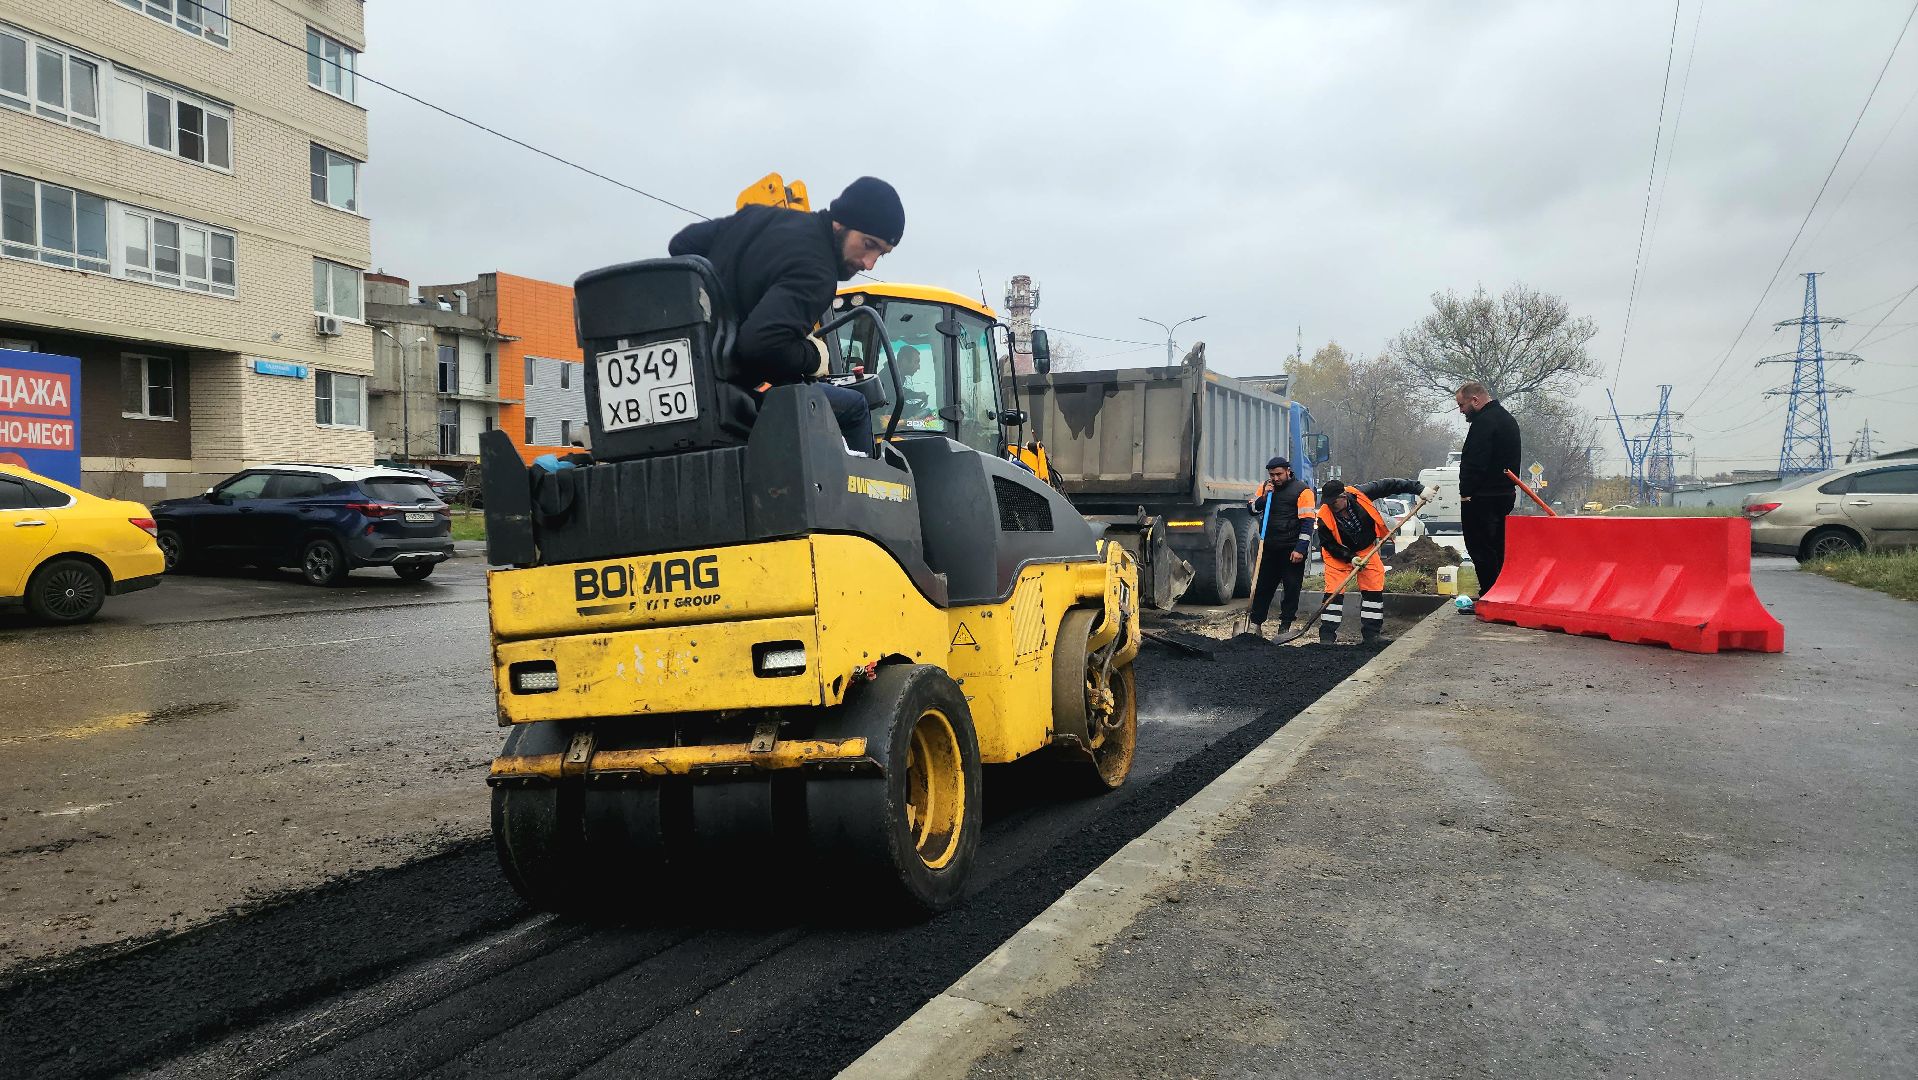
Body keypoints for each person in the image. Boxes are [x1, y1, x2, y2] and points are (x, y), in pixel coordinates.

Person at [667, 177, 905, 450]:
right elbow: (760, 345)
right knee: (855, 408)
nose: (869, 264)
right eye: (868, 244)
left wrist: (719, 310)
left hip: (689, 376)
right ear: (841, 222)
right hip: (733, 393)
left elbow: (681, 245)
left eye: (881, 254)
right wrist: (814, 356)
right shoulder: (819, 273)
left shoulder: (758, 217)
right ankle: (860, 479)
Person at [1314, 477, 1423, 644]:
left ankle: (1372, 635)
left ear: (1343, 496)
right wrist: (1350, 558)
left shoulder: (1361, 494)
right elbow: (1329, 544)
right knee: (1333, 593)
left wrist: (1420, 489)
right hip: (1338, 554)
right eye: (1327, 502)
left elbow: (1390, 485)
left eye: (1333, 502)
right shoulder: (1323, 516)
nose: (1330, 506)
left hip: (1366, 550)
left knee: (1373, 589)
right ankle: (1327, 637)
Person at [1454, 381, 1521, 595]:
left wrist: (1466, 493)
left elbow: (1474, 461)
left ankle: (1489, 593)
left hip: (1481, 498)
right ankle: (1501, 592)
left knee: (1480, 548)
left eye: (1462, 405)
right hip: (1505, 495)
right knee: (1499, 547)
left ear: (1475, 400)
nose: (1461, 410)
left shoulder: (1483, 423)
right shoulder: (1508, 420)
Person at [1245, 455, 1316, 636]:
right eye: (1272, 475)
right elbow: (1252, 510)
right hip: (1268, 546)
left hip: (1291, 548)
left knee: (1291, 588)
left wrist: (1300, 549)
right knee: (1263, 586)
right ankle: (1256, 623)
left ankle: (1285, 625)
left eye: (1279, 474)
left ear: (1288, 471)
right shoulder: (1266, 487)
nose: (1275, 478)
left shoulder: (1302, 491)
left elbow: (1308, 522)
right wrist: (1264, 497)